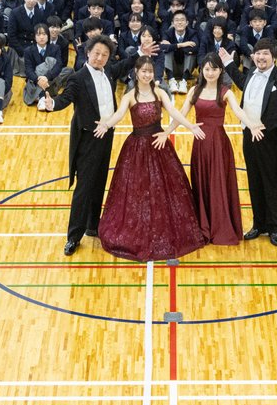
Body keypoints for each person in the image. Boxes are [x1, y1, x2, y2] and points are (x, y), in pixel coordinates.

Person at [89, 56, 208, 262]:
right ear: (136, 72)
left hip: (158, 143)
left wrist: (190, 126)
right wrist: (106, 124)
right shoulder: (130, 95)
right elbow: (118, 115)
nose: (147, 75)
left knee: (165, 190)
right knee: (137, 191)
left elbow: (174, 113)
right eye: (143, 71)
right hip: (136, 147)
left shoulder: (159, 92)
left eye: (150, 71)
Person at [40, 35, 131, 256]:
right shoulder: (78, 77)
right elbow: (66, 98)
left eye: (105, 55)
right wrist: (53, 103)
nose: (100, 58)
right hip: (88, 138)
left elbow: (124, 65)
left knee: (100, 181)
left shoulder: (108, 72)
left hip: (106, 134)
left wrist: (142, 53)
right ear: (88, 53)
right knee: (84, 187)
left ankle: (93, 225)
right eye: (97, 53)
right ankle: (73, 236)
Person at [178, 57, 262, 245]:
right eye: (207, 69)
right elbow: (181, 113)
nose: (210, 73)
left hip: (218, 144)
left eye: (214, 69)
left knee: (218, 184)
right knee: (201, 183)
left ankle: (219, 226)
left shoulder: (225, 92)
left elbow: (239, 111)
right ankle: (203, 224)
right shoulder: (194, 90)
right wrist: (169, 130)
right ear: (201, 70)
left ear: (220, 71)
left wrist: (252, 126)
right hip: (200, 144)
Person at [227, 40, 277, 246]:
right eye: (257, 53)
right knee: (254, 181)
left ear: (273, 56)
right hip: (249, 135)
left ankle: (274, 227)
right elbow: (240, 81)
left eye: (265, 53)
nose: (261, 57)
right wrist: (228, 63)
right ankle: (258, 224)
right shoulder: (250, 73)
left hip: (270, 137)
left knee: (271, 183)